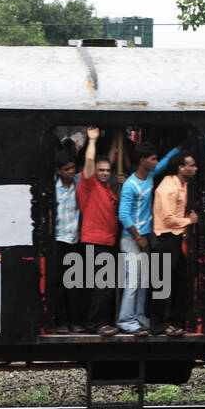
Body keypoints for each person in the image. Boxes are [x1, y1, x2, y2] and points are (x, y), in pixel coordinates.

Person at [117, 142, 180, 334]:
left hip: (143, 238)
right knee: (133, 282)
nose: (156, 162)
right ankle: (126, 320)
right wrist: (138, 237)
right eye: (153, 159)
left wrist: (178, 148)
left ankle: (137, 316)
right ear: (143, 161)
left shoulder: (150, 176)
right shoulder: (130, 185)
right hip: (132, 239)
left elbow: (166, 162)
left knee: (142, 282)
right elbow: (123, 215)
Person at [149, 152, 199, 336]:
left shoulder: (182, 184)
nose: (195, 168)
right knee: (161, 284)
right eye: (191, 165)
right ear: (181, 168)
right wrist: (189, 221)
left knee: (180, 279)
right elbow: (168, 218)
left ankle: (175, 321)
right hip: (165, 238)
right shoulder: (168, 187)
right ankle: (158, 325)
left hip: (175, 239)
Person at [77, 126, 120, 336]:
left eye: (107, 171)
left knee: (104, 285)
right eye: (101, 170)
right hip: (95, 241)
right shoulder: (88, 184)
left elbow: (109, 160)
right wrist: (92, 141)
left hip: (107, 242)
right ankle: (95, 324)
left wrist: (115, 139)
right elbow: (89, 163)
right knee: (103, 286)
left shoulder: (107, 187)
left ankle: (98, 322)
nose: (104, 173)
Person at [50, 150, 85, 332]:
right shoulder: (52, 190)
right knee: (59, 285)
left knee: (75, 285)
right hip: (58, 241)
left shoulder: (79, 183)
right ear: (58, 171)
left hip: (75, 241)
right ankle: (62, 322)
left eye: (73, 168)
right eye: (67, 169)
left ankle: (75, 321)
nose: (71, 172)